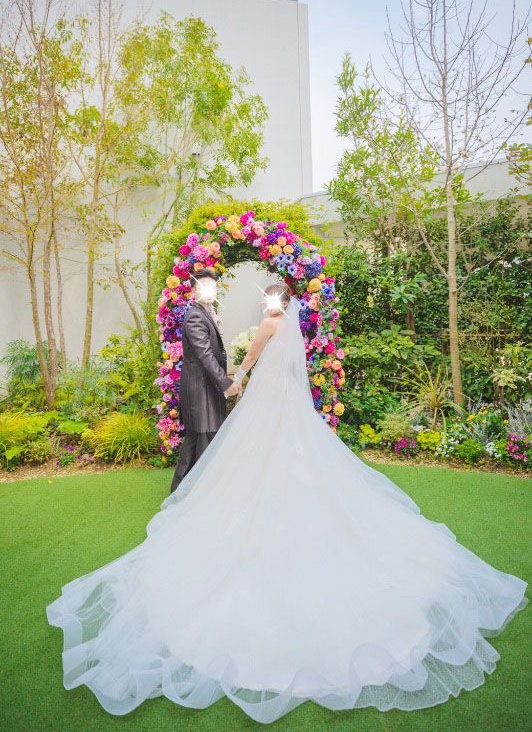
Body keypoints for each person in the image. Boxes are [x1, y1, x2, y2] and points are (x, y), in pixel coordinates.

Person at [45, 285, 528, 725]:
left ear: (273, 302)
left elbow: (252, 358)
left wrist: (236, 377)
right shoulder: (291, 328)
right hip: (289, 403)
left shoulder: (268, 325)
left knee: (253, 460)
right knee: (293, 463)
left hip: (266, 404)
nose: (264, 303)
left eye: (266, 299)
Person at [170, 268, 241, 493]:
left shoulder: (205, 312)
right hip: (201, 390)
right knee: (203, 443)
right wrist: (226, 383)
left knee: (196, 442)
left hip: (205, 388)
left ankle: (181, 492)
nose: (210, 291)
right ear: (193, 291)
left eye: (213, 287)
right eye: (204, 287)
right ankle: (193, 494)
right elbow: (205, 355)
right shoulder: (195, 317)